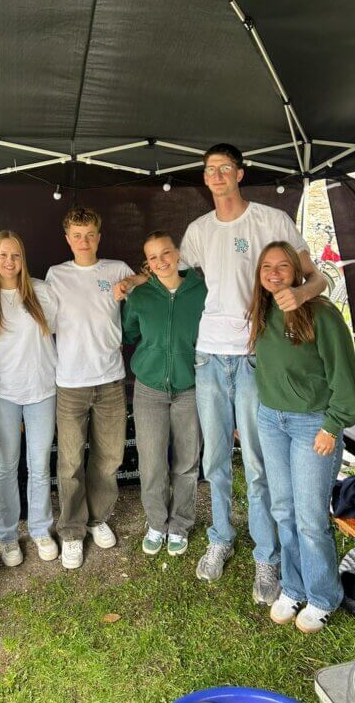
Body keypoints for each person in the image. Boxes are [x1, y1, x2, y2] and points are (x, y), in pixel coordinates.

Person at [115, 143, 326, 605]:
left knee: (256, 463)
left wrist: (302, 294)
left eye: (224, 168)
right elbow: (168, 270)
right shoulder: (198, 230)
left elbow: (317, 277)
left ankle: (266, 556)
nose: (216, 175)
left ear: (240, 173)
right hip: (207, 359)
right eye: (209, 169)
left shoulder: (272, 220)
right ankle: (221, 538)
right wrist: (133, 280)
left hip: (253, 356)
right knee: (214, 460)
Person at [248, 241, 355, 632]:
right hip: (271, 421)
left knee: (311, 517)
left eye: (283, 266)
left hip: (311, 424)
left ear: (298, 273)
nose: (274, 273)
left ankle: (323, 596)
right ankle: (294, 587)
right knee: (283, 509)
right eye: (266, 266)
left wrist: (333, 425)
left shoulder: (322, 315)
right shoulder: (261, 311)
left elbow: (346, 377)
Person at [46, 207, 134, 570]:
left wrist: (131, 283)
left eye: (90, 235)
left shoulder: (117, 269)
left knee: (109, 458)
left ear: (99, 236)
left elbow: (148, 279)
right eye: (77, 236)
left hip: (110, 378)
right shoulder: (56, 275)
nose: (84, 241)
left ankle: (98, 519)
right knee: (69, 462)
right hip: (70, 382)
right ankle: (71, 530)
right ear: (68, 239)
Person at [0, 231, 60, 566]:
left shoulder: (42, 291)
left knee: (39, 465)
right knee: (7, 466)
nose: (9, 262)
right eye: (3, 255)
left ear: (23, 258)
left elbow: (63, 329)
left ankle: (40, 529)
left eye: (16, 255)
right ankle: (7, 536)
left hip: (42, 389)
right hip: (2, 393)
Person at [122, 232, 207, 556]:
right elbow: (129, 332)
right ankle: (157, 522)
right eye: (153, 257)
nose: (161, 261)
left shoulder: (201, 291)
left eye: (166, 253)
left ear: (177, 253)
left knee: (186, 461)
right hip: (149, 390)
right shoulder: (140, 295)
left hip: (189, 388)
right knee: (152, 462)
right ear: (147, 263)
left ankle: (180, 524)